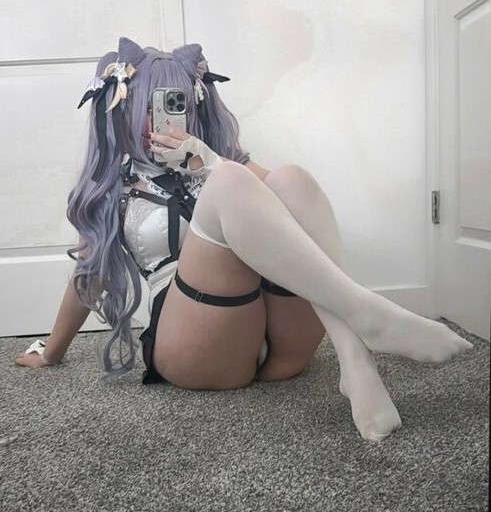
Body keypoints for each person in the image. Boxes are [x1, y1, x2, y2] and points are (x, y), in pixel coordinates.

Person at [15, 37, 473, 441]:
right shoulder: (116, 187)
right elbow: (88, 274)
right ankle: (365, 312)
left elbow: (297, 209)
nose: (163, 116)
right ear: (125, 108)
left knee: (289, 179)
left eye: (176, 102)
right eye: (150, 104)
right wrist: (52, 352)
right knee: (231, 181)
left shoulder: (217, 162)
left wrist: (207, 160)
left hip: (280, 344)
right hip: (196, 343)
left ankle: (354, 358)